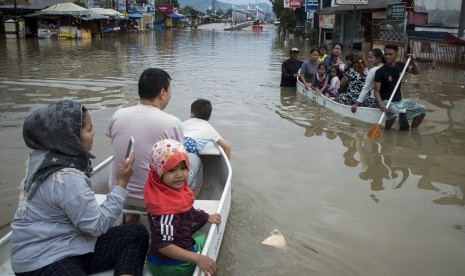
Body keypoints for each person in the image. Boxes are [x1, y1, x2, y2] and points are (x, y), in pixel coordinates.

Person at [10, 100, 149, 275]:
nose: (93, 133)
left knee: (136, 233)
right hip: (44, 257)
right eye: (89, 129)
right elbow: (97, 226)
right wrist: (121, 183)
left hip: (73, 243)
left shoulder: (45, 158)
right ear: (71, 136)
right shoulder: (66, 177)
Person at [106, 68, 203, 223]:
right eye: (170, 90)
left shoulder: (118, 114)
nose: (170, 95)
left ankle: (132, 215)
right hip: (153, 197)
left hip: (119, 190)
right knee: (194, 161)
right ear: (162, 93)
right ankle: (185, 213)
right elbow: (178, 158)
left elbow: (114, 139)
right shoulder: (172, 122)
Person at [143, 139, 222, 276]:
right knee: (204, 238)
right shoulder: (166, 211)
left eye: (183, 168)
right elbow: (164, 246)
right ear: (159, 172)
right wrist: (198, 258)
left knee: (201, 237)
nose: (180, 175)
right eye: (172, 170)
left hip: (159, 258)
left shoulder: (165, 192)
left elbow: (187, 210)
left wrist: (207, 217)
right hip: (172, 267)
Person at [374, 44, 426, 130]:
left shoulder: (400, 65)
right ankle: (387, 132)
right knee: (394, 112)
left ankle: (412, 130)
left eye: (390, 54)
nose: (387, 56)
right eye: (386, 54)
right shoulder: (380, 71)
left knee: (422, 110)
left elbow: (416, 72)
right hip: (386, 100)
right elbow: (376, 91)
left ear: (396, 55)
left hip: (399, 100)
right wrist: (381, 104)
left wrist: (412, 61)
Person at [351, 48, 385, 113]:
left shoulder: (373, 70)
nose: (369, 60)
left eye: (371, 58)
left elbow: (366, 89)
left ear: (379, 59)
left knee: (346, 97)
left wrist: (356, 104)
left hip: (374, 100)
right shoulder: (386, 68)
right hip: (384, 100)